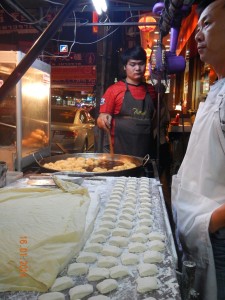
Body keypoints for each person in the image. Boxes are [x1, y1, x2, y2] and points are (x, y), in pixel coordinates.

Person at [172, 1, 225, 299]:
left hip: (217, 235)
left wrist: (212, 222)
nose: (198, 35)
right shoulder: (218, 87)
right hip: (204, 228)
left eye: (207, 24)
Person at [97, 45, 157, 157]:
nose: (138, 68)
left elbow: (154, 120)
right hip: (118, 155)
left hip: (145, 155)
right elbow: (101, 118)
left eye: (141, 64)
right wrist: (103, 120)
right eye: (132, 64)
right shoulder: (114, 90)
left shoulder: (151, 91)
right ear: (125, 66)